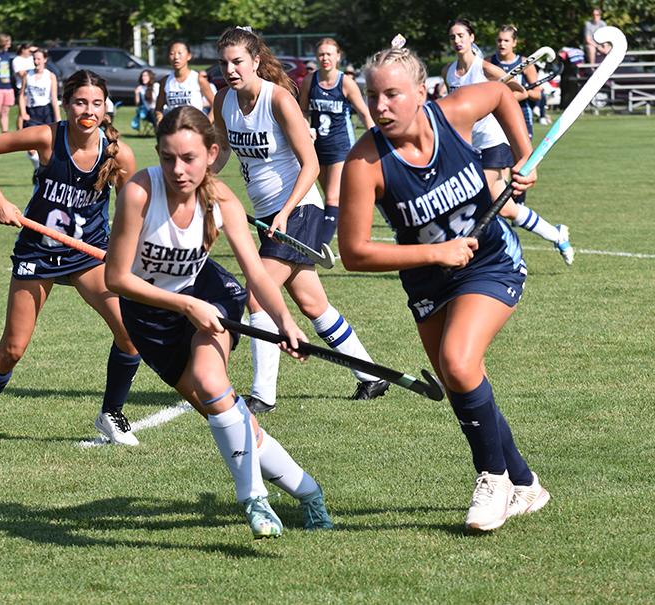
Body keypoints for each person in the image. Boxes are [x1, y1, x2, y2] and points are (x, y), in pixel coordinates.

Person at [339, 40, 551, 533]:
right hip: (429, 278)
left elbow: (500, 93)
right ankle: (526, 484)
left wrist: (527, 157)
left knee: (458, 362)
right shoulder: (364, 164)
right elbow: (354, 252)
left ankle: (492, 478)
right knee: (461, 379)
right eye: (373, 96)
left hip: (490, 260)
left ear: (420, 92)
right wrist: (435, 253)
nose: (380, 106)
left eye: (392, 94)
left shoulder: (453, 115)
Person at [104, 105, 333, 538]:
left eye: (189, 158)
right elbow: (117, 279)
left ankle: (253, 499)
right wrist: (183, 306)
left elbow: (256, 272)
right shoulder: (139, 193)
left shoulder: (221, 199)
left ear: (211, 153)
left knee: (212, 381)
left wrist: (285, 320)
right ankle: (309, 492)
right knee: (227, 413)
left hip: (209, 295)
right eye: (168, 157)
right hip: (151, 318)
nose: (178, 169)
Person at [0, 70, 142, 447]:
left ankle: (111, 413)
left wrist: (125, 250)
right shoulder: (47, 137)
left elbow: (133, 210)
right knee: (13, 348)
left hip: (87, 254)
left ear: (106, 108)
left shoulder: (118, 153)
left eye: (95, 103)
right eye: (79, 103)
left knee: (130, 334)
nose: (87, 111)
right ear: (66, 105)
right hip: (39, 252)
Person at [213, 26, 389, 414]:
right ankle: (371, 375)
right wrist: (202, 177)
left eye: (238, 61)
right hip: (268, 213)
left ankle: (262, 396)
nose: (230, 69)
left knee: (257, 295)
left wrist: (286, 211)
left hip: (298, 208)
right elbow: (223, 149)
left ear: (256, 61)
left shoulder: (278, 100)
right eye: (224, 63)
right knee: (313, 304)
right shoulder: (223, 99)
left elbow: (311, 164)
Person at [443, 19, 574, 266]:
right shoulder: (448, 71)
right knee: (504, 208)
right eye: (453, 37)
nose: (458, 41)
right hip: (466, 144)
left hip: (492, 139)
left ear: (472, 37)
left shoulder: (486, 69)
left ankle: (478, 256)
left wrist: (490, 97)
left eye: (462, 35)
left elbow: (520, 92)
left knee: (481, 195)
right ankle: (556, 234)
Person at [298, 38, 374, 246]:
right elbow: (302, 111)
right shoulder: (309, 81)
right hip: (317, 147)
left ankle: (319, 245)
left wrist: (377, 139)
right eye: (321, 54)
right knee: (328, 198)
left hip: (341, 147)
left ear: (338, 57)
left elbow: (364, 113)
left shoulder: (345, 82)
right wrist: (305, 129)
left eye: (329, 54)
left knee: (332, 197)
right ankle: (342, 226)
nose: (325, 58)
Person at [490, 25, 541, 140]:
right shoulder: (489, 62)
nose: (502, 44)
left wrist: (524, 92)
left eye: (506, 41)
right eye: (499, 40)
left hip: (521, 114)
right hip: (496, 115)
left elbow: (538, 95)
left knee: (523, 155)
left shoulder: (525, 63)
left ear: (514, 43)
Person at [19, 48, 61, 177]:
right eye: (34, 59)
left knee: (47, 146)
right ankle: (39, 168)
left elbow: (54, 98)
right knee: (30, 147)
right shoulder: (27, 75)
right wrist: (23, 112)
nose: (36, 61)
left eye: (38, 59)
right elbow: (21, 95)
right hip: (32, 112)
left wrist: (57, 117)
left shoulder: (50, 76)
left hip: (46, 111)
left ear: (45, 60)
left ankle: (43, 171)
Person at [155, 41, 215, 125]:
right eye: (172, 54)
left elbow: (215, 105)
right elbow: (158, 108)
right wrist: (159, 121)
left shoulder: (198, 79)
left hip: (195, 129)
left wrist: (207, 124)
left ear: (189, 56)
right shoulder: (165, 81)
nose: (176, 57)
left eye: (180, 53)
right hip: (174, 130)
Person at [11, 43, 37, 130]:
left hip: (33, 88)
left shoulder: (31, 59)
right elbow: (21, 74)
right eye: (28, 50)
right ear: (23, 50)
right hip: (22, 88)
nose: (30, 52)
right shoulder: (17, 60)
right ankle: (19, 131)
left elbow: (40, 53)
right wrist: (33, 71)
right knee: (22, 112)